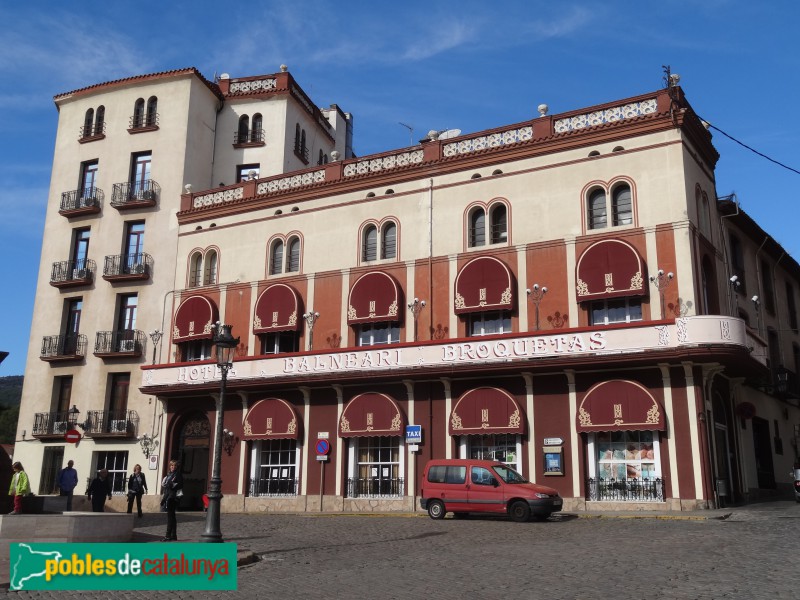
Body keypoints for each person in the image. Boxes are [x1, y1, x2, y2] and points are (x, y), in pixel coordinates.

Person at [161, 459, 183, 542]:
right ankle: (173, 535)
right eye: (171, 465)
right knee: (172, 517)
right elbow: (167, 488)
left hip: (173, 498)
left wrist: (172, 485)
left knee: (170, 517)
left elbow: (180, 485)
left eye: (174, 466)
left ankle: (168, 536)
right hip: (168, 497)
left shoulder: (178, 474)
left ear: (177, 467)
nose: (173, 467)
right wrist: (163, 499)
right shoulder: (169, 475)